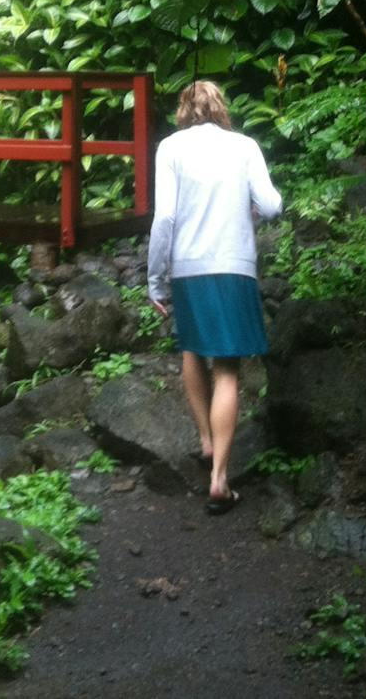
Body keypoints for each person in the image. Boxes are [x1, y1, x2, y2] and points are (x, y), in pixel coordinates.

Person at [147, 79, 283, 513]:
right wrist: (255, 208)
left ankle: (206, 441)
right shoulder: (244, 146)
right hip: (233, 266)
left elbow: (165, 216)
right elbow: (272, 204)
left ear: (183, 110)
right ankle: (220, 478)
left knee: (191, 348)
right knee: (227, 367)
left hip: (188, 267)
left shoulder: (170, 148)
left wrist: (155, 277)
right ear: (221, 107)